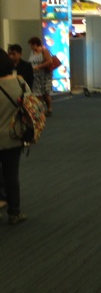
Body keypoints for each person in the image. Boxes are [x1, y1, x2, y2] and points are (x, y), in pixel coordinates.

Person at [0, 48, 28, 224]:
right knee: (11, 175)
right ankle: (14, 212)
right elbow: (31, 106)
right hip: (13, 136)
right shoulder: (20, 82)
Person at [27, 37, 53, 116]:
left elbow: (50, 61)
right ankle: (41, 109)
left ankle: (49, 108)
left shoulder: (44, 51)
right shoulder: (32, 52)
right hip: (35, 75)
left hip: (44, 75)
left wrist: (39, 66)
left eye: (31, 45)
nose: (31, 47)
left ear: (35, 44)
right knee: (37, 93)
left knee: (46, 93)